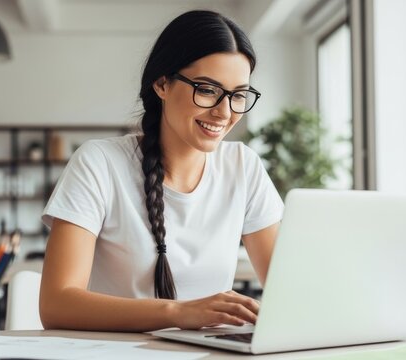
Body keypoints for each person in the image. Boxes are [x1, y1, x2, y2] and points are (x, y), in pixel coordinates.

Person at [39, 10, 283, 332]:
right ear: (162, 84)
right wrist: (177, 313)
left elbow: (286, 289)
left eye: (238, 95)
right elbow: (57, 304)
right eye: (207, 90)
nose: (224, 112)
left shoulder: (243, 166)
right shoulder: (99, 163)